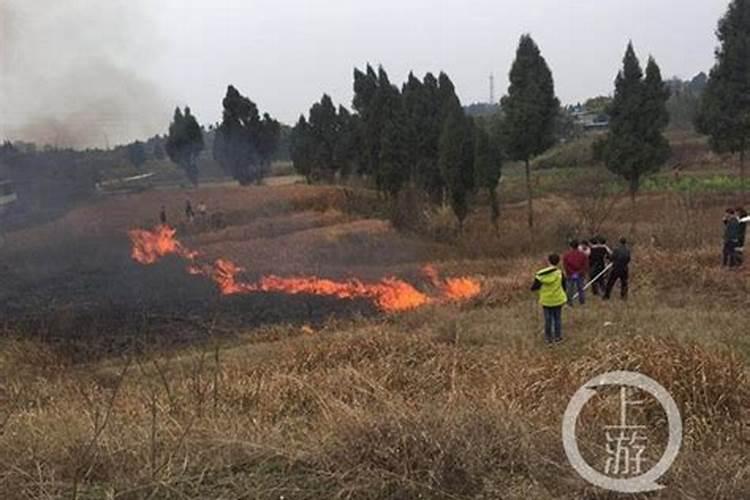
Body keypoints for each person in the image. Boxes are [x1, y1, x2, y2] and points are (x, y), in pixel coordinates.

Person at [531, 254, 568, 345]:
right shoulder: (560, 273)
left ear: (548, 261)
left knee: (548, 319)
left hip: (546, 300)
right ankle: (558, 337)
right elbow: (564, 286)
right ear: (558, 262)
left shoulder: (541, 274)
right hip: (558, 299)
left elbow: (534, 287)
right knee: (557, 318)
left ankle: (548, 338)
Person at [562, 239, 588, 306]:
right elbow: (585, 265)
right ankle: (582, 302)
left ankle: (569, 302)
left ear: (570, 246)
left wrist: (572, 272)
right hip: (580, 274)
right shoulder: (583, 255)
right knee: (581, 289)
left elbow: (565, 265)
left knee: (570, 289)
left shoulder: (566, 255)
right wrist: (579, 272)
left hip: (570, 274)